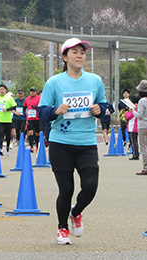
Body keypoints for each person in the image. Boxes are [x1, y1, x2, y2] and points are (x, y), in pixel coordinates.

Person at [38, 38, 108, 245]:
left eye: (82, 52)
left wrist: (100, 109)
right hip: (61, 143)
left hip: (86, 143)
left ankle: (76, 212)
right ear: (65, 57)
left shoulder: (94, 80)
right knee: (66, 189)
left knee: (90, 186)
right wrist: (55, 111)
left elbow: (105, 105)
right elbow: (42, 112)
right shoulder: (54, 83)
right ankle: (62, 229)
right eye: (74, 52)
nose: (79, 56)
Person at [130, 80, 147, 175]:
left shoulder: (142, 101)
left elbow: (139, 115)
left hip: (143, 126)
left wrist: (133, 111)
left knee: (143, 147)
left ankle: (146, 167)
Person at [0, 84, 16, 156]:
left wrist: (7, 109)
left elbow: (14, 106)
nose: (2, 91)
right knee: (0, 133)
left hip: (7, 119)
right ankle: (0, 148)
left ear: (6, 90)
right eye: (0, 89)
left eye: (3, 89)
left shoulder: (9, 98)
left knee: (7, 135)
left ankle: (8, 148)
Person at [24, 87, 41, 152]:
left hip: (37, 117)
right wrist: (24, 112)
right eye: (31, 91)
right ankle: (31, 146)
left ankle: (37, 145)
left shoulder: (39, 98)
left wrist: (36, 107)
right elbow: (24, 106)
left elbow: (41, 106)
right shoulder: (27, 98)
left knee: (37, 133)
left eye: (33, 91)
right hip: (30, 117)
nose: (32, 92)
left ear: (36, 92)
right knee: (30, 132)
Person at [125, 95, 140, 160]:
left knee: (134, 142)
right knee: (134, 141)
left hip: (133, 128)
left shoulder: (135, 110)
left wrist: (129, 111)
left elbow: (128, 116)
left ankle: (135, 155)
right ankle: (135, 154)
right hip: (132, 128)